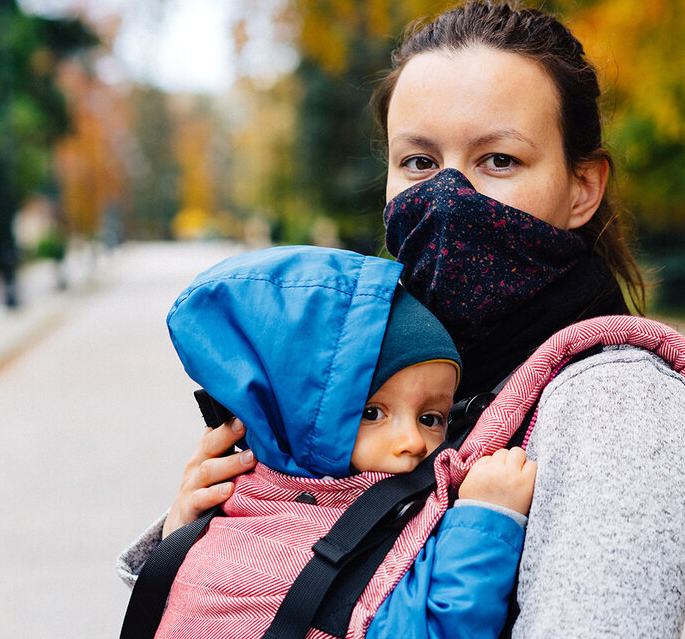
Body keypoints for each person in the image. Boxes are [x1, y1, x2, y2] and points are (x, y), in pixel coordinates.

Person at [120, 0, 685, 638]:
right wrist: (202, 539)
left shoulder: (618, 406)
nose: (448, 196)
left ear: (582, 187)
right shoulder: (378, 358)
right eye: (419, 162)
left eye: (499, 160)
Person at [142, 245, 536, 638]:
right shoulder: (252, 541)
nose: (413, 441)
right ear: (296, 417)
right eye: (372, 413)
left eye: (430, 419)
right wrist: (486, 520)